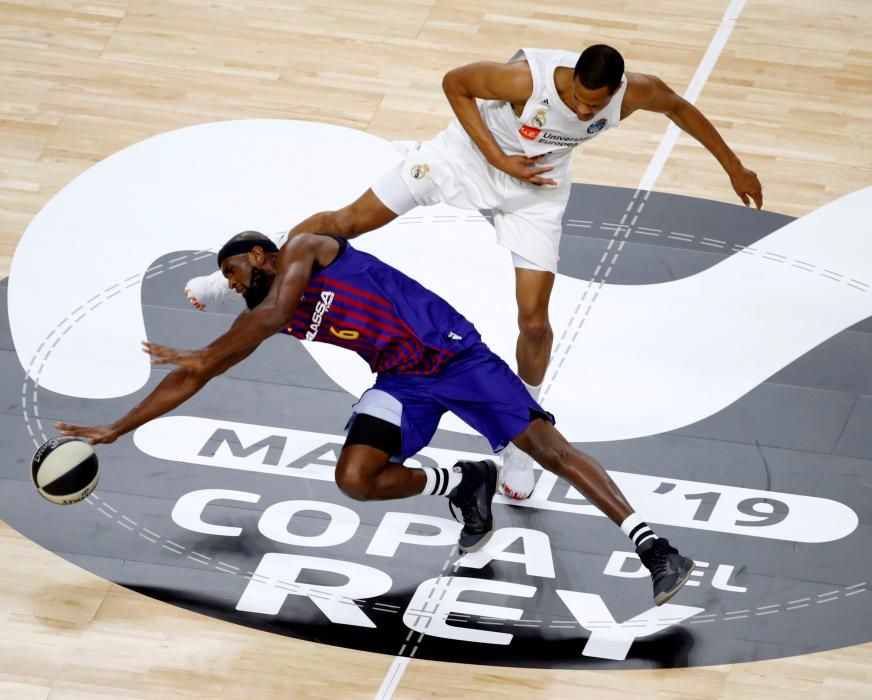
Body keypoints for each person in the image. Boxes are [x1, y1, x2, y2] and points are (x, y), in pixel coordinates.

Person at [185, 44, 764, 503]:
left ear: (614, 91)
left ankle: (523, 436)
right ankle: (225, 280)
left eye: (596, 108)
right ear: (570, 81)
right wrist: (495, 155)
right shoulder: (526, 81)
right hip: (465, 156)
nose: (586, 114)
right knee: (343, 223)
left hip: (535, 190)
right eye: (580, 103)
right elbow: (454, 83)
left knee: (534, 322)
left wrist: (735, 165)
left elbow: (682, 109)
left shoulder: (633, 94)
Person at [60, 231, 694, 605]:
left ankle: (656, 548)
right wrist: (121, 426)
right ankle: (463, 482)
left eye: (236, 272)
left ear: (263, 253)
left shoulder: (309, 246)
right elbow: (199, 371)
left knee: (547, 449)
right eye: (227, 279)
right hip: (399, 381)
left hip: (454, 355)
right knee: (355, 478)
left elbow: (263, 319)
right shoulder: (266, 309)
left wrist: (210, 344)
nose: (236, 283)